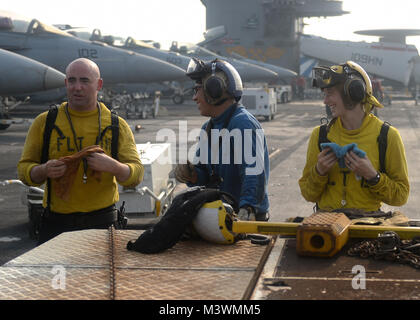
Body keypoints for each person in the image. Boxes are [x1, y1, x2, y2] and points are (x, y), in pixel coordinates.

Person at [18, 58, 144, 244]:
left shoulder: (116, 125)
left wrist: (115, 167)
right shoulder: (45, 122)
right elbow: (24, 171)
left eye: (85, 81)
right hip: (56, 227)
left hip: (102, 225)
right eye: (72, 80)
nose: (77, 87)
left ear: (98, 84)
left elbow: (137, 174)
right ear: (65, 83)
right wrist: (43, 170)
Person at [298, 61, 409, 221]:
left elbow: (401, 196)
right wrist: (319, 171)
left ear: (352, 92)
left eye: (329, 93)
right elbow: (308, 194)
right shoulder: (320, 135)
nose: (325, 101)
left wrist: (373, 176)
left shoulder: (387, 136)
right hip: (326, 226)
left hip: (367, 229)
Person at [174, 58, 270, 221]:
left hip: (244, 216)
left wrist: (248, 208)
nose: (194, 98)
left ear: (214, 90)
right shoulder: (209, 128)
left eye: (197, 90)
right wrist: (192, 174)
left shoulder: (242, 123)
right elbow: (205, 174)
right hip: (221, 213)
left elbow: (254, 173)